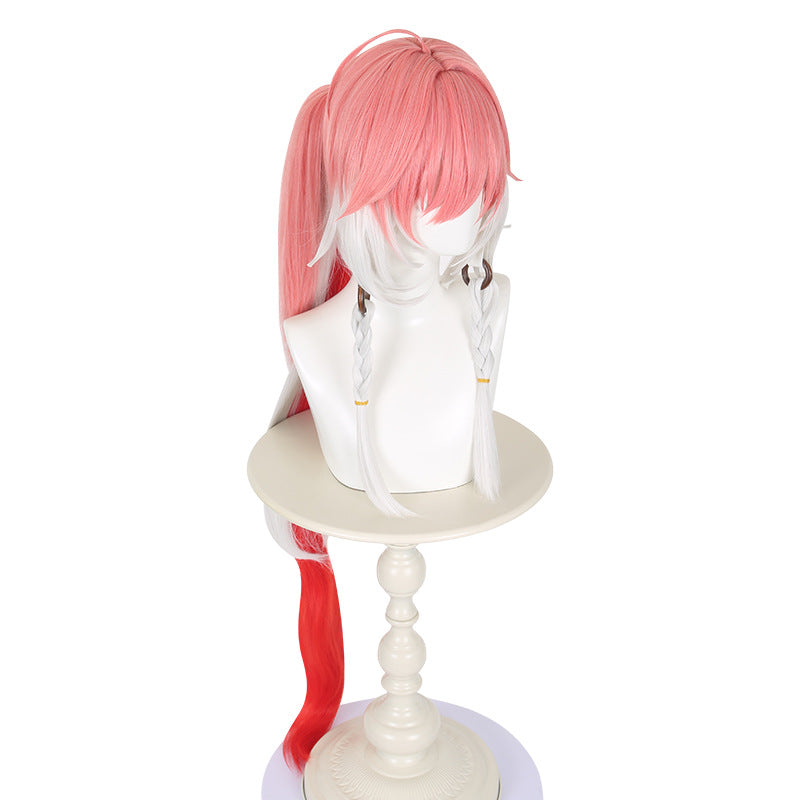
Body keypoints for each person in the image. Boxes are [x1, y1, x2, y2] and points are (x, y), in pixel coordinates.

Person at [265, 30, 515, 770]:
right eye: (441, 179)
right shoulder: (316, 343)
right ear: (366, 183)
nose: (471, 203)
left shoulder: (493, 308)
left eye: (479, 176)